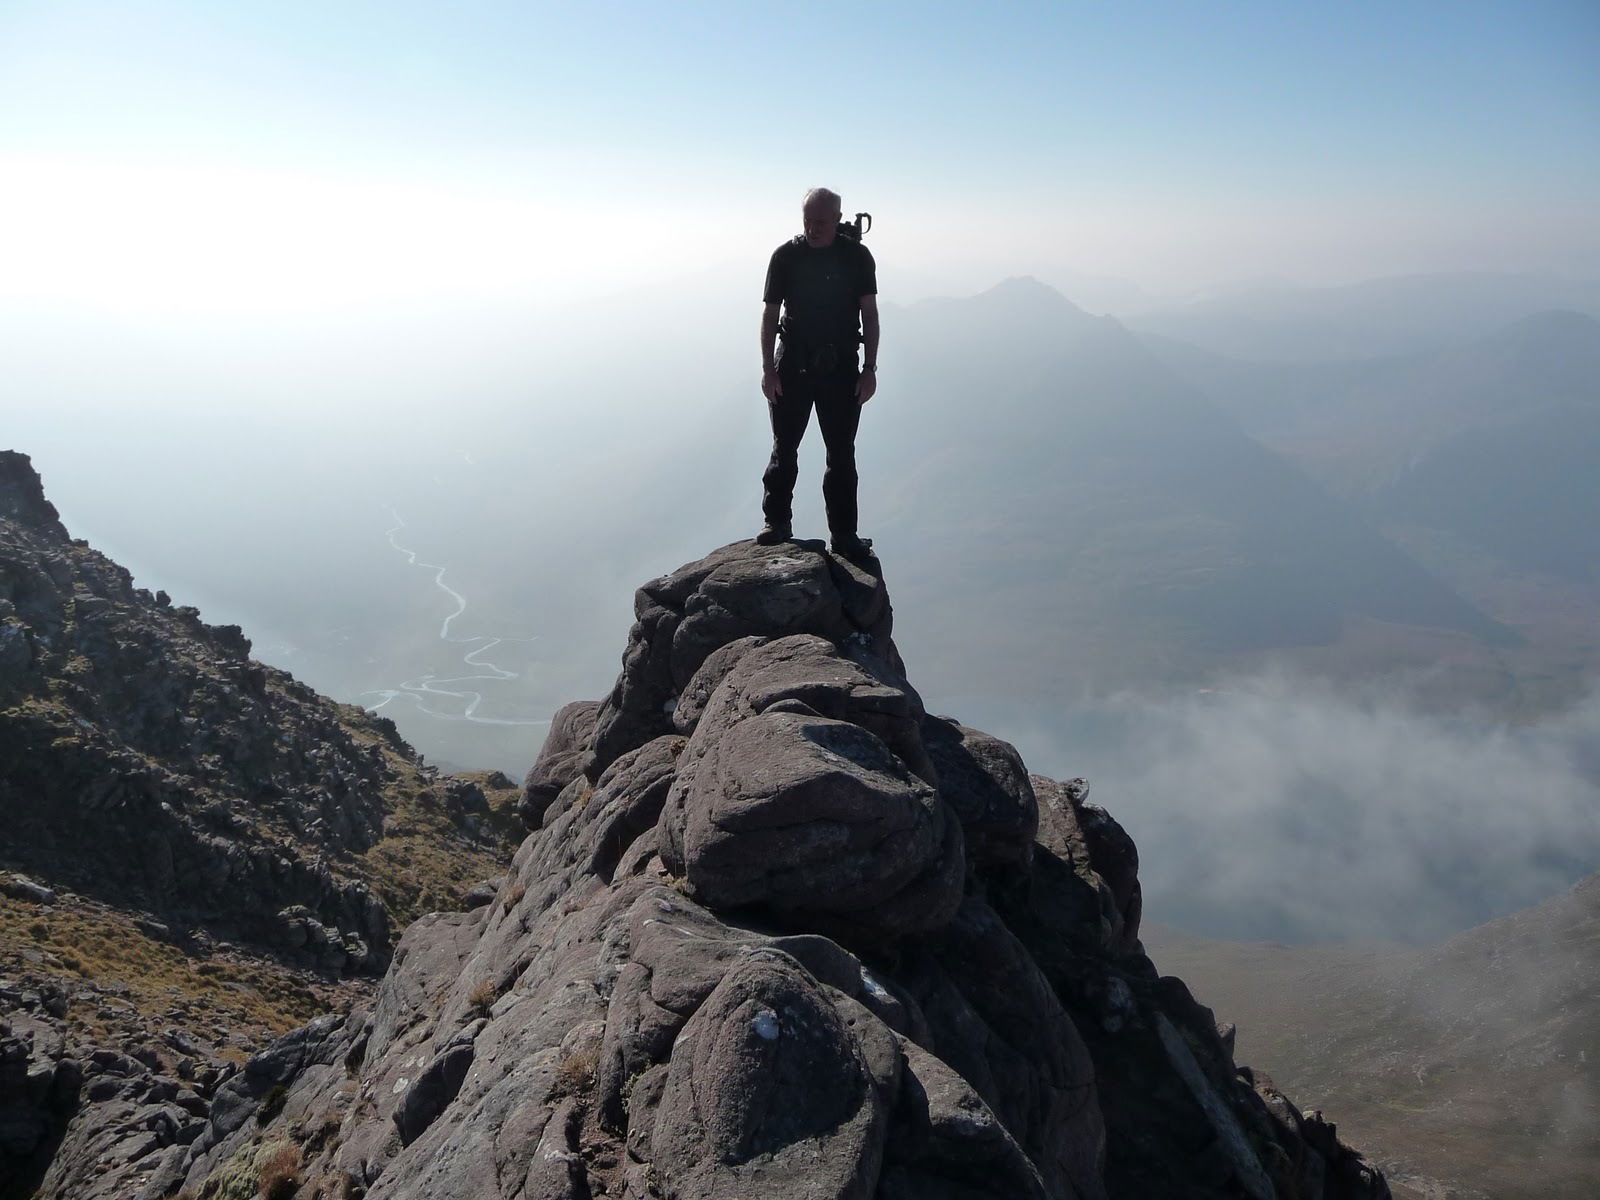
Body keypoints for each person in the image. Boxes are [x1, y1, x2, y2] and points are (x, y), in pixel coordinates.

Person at [757, 187, 879, 562]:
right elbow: (769, 315)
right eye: (808, 221)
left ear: (838, 218)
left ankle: (844, 535)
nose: (813, 229)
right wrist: (767, 370)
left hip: (841, 368)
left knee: (841, 455)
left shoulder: (857, 257)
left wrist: (869, 369)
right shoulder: (785, 257)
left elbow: (870, 315)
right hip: (791, 364)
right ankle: (776, 523)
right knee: (784, 448)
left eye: (821, 222)